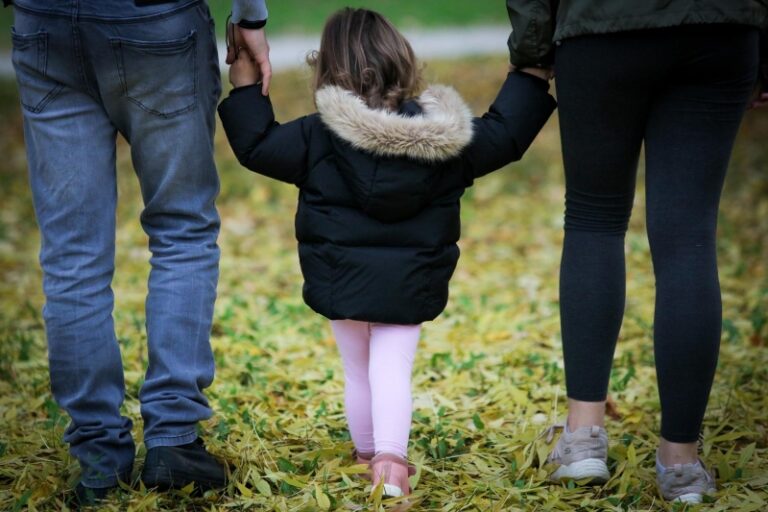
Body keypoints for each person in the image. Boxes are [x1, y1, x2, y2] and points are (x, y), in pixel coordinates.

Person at [218, 7, 556, 498]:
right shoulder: (447, 138)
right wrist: (531, 74)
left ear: (327, 70)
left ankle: (366, 456)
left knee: (358, 368)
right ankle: (392, 464)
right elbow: (504, 135)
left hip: (339, 274)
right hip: (412, 277)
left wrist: (245, 81)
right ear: (402, 61)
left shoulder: (316, 136)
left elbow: (257, 144)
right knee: (392, 365)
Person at [6, 0, 271, 505]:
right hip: (155, 21)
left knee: (71, 256)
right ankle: (173, 439)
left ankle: (99, 458)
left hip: (45, 22)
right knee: (182, 229)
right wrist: (250, 16)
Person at [505, 0, 768, 504]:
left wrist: (533, 49)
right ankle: (681, 463)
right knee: (689, 236)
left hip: (601, 25)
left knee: (593, 218)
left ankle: (582, 439)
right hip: (720, 25)